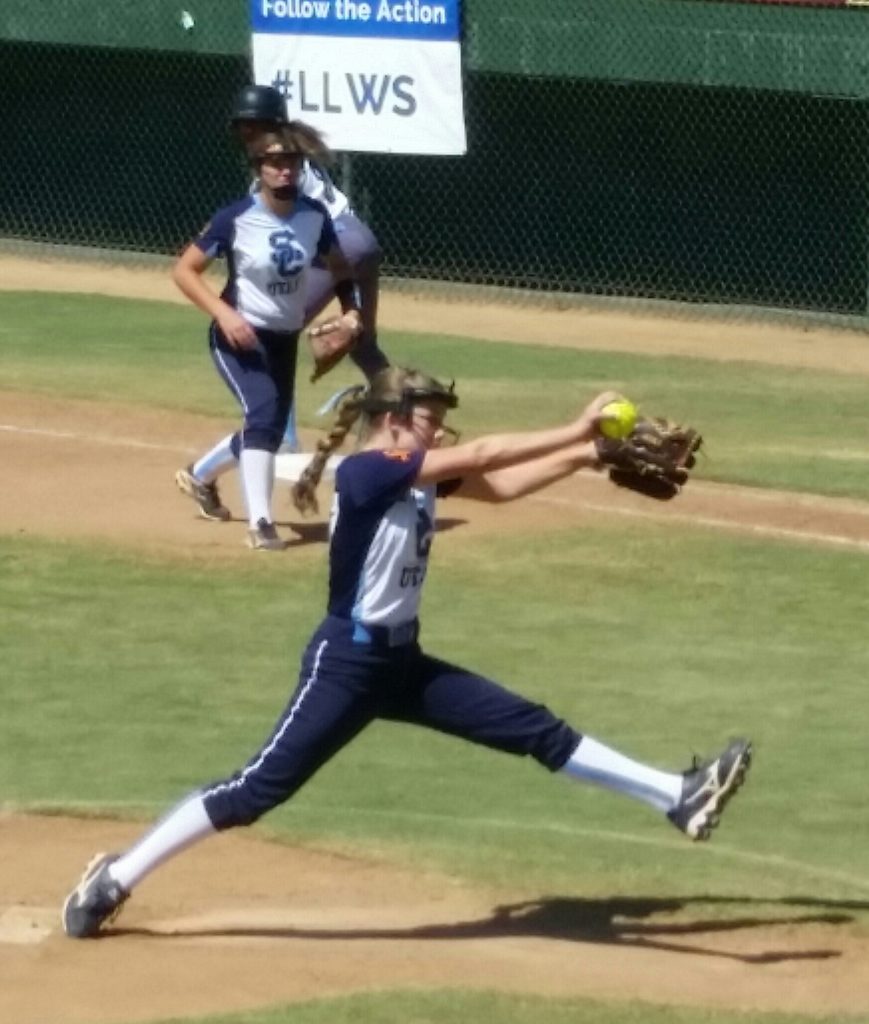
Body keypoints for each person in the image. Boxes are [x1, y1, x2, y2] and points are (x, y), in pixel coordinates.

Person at [62, 368, 752, 939]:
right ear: (392, 422)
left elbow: (501, 485)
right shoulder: (368, 473)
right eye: (427, 417)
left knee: (533, 728)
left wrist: (585, 457)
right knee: (255, 790)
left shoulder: (414, 476)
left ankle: (676, 796)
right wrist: (575, 427)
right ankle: (116, 877)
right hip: (346, 666)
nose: (439, 427)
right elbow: (482, 456)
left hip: (402, 666)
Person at [172, 126, 363, 550]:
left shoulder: (314, 216)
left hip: (284, 337)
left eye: (291, 161)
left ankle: (200, 476)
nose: (284, 169)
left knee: (269, 430)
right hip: (238, 335)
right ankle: (261, 525)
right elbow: (184, 271)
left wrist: (351, 311)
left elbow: (341, 270)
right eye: (274, 162)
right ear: (258, 169)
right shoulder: (235, 217)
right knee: (262, 419)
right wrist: (223, 313)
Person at [229, 84, 389, 450]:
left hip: (338, 246)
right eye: (242, 126)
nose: (245, 132)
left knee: (274, 333)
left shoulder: (276, 165)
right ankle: (413, 419)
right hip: (361, 241)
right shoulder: (295, 153)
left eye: (251, 125)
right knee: (364, 346)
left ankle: (282, 437)